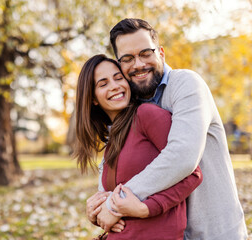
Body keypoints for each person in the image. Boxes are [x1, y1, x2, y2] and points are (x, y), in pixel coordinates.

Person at [87, 18, 247, 239]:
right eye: (128, 58)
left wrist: (115, 203)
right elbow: (115, 165)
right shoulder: (133, 107)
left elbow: (182, 156)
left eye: (145, 53)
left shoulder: (186, 84)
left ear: (160, 53)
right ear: (120, 64)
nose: (138, 64)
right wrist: (99, 204)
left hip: (213, 232)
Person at [74, 54, 203, 239]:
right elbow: (118, 202)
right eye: (103, 84)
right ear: (93, 98)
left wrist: (146, 209)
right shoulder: (112, 142)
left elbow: (192, 173)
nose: (115, 86)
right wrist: (96, 212)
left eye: (119, 78)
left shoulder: (146, 115)